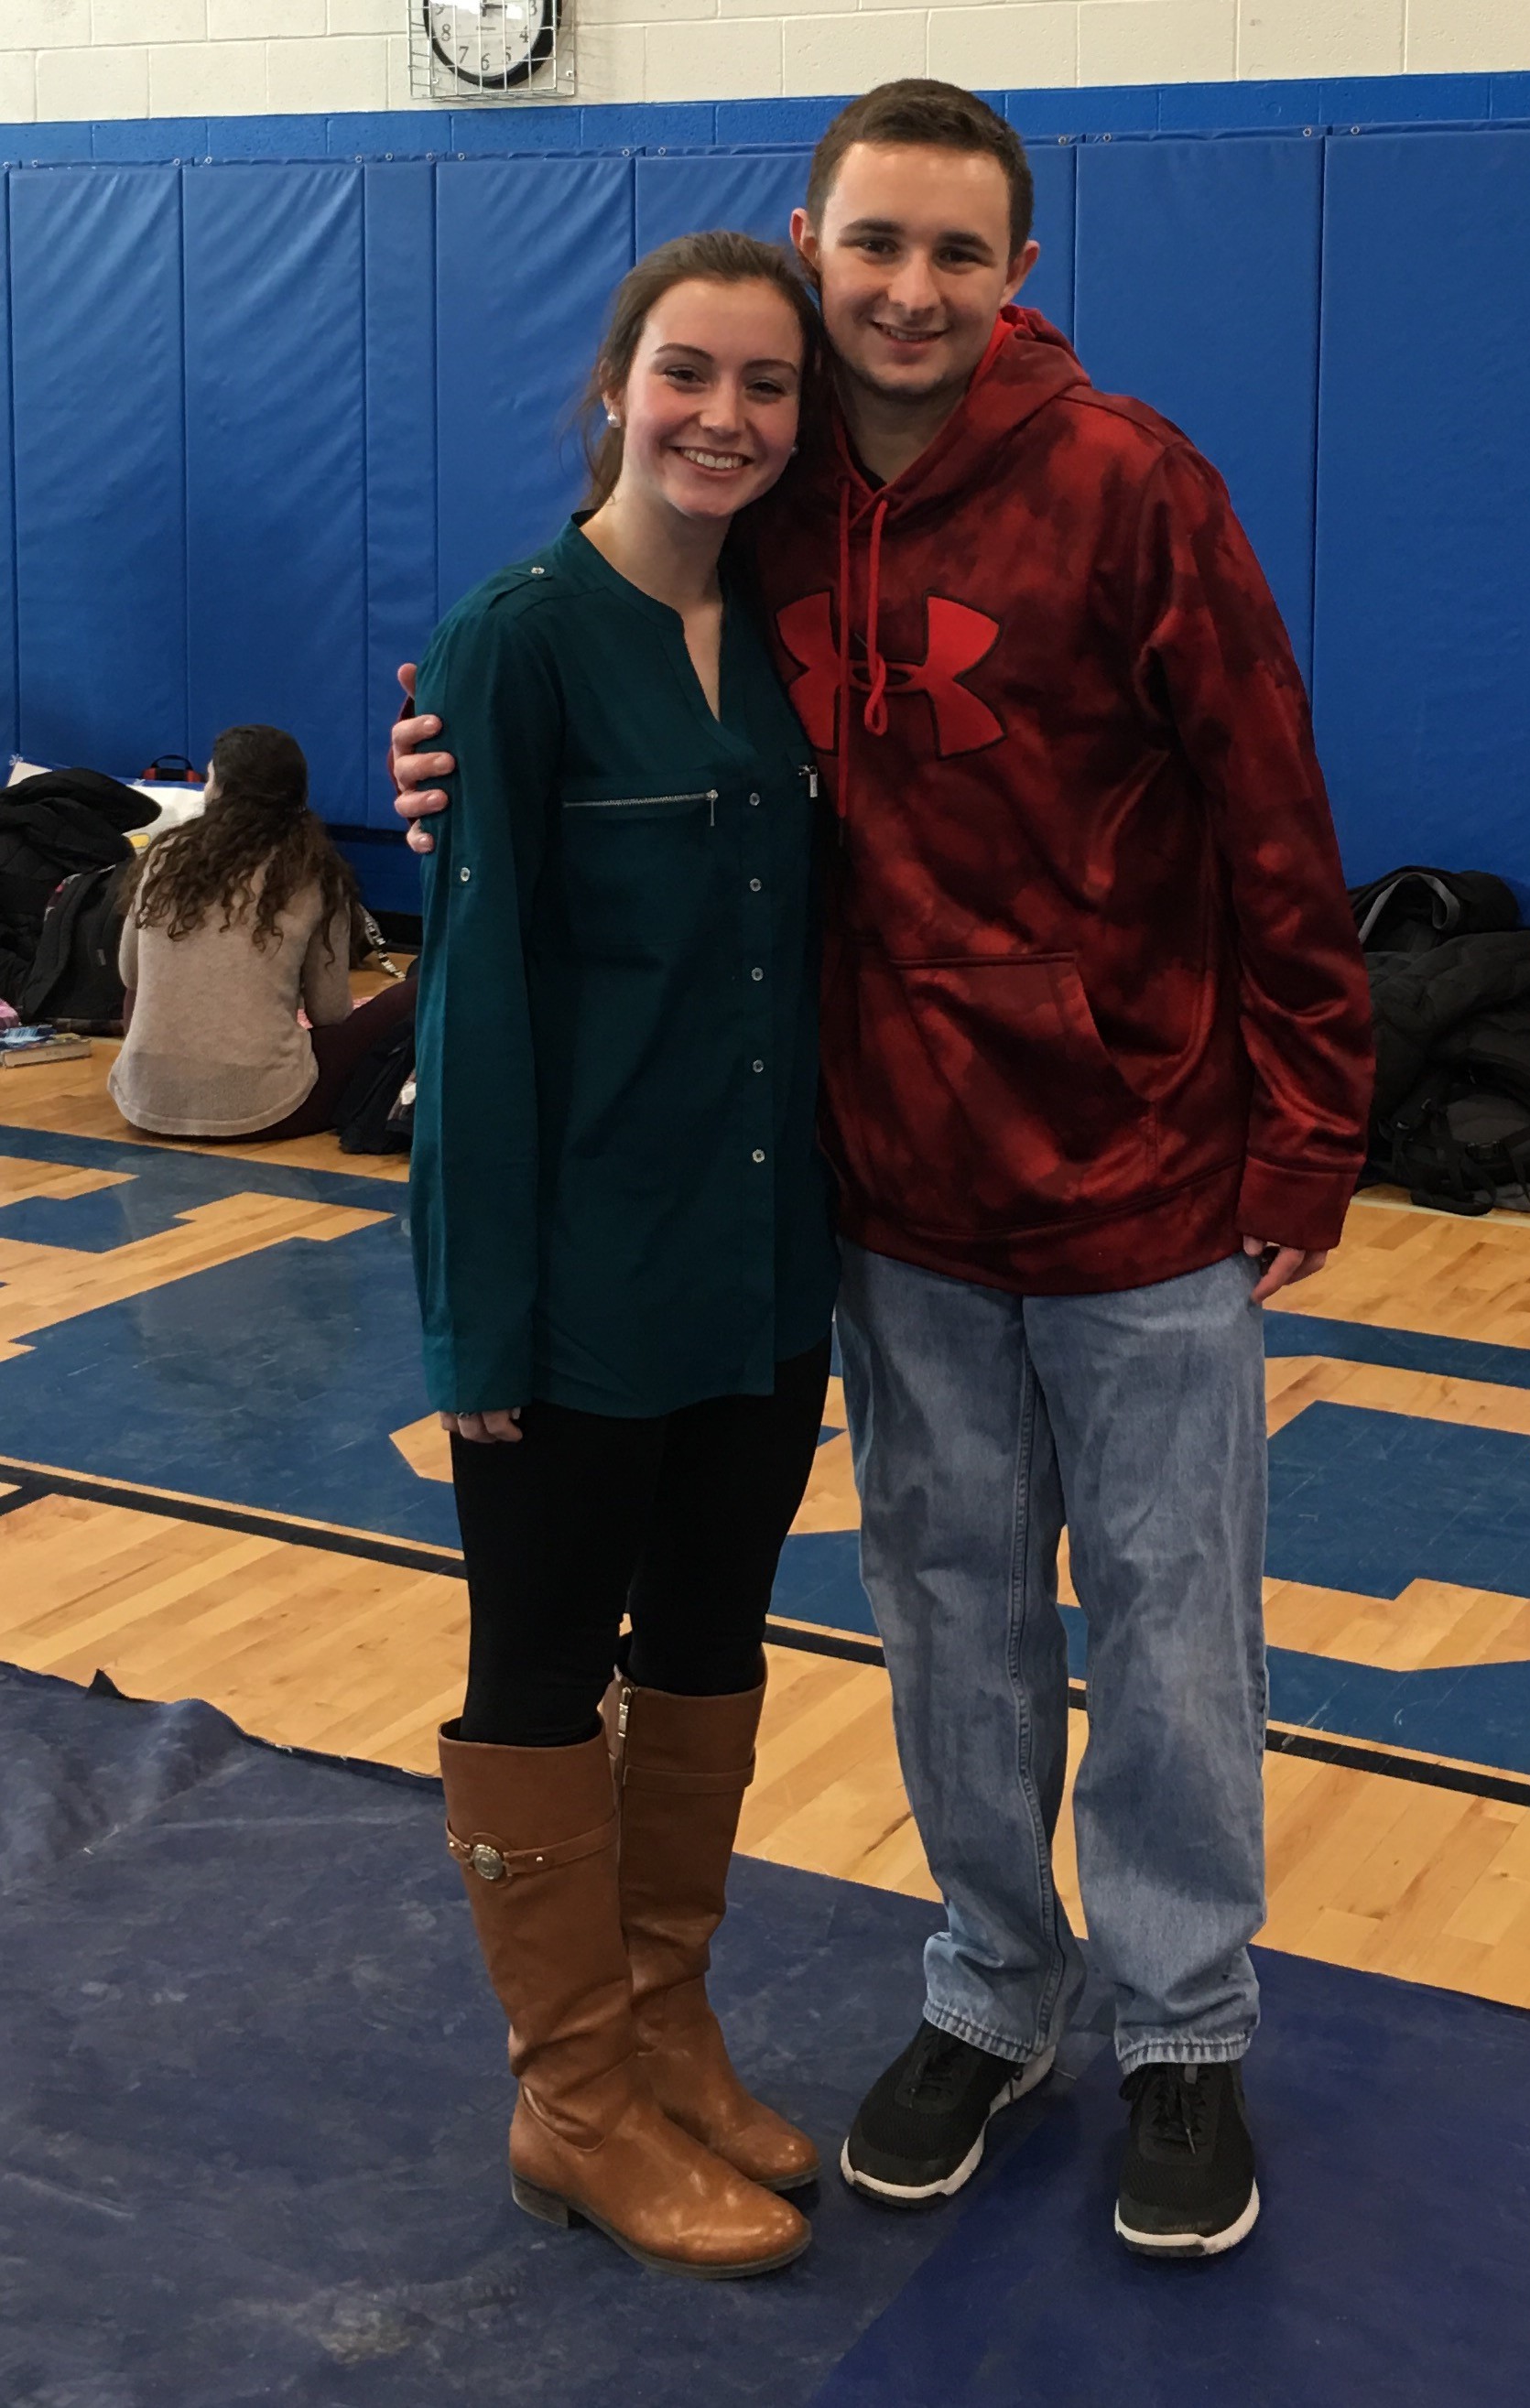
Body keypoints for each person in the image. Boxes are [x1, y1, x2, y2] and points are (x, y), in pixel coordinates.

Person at [395, 85, 1374, 2262]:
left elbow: (1268, 800)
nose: (907, 292)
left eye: (953, 252)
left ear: (1017, 272)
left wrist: (1306, 1117)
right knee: (945, 1620)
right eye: (872, 248)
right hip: (888, 1192)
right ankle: (991, 1985)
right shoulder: (772, 487)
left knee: (1170, 1629)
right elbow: (591, 626)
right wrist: (452, 757)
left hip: (1137, 1177)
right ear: (809, 249)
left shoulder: (1125, 481)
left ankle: (1181, 2026)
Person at [410, 231, 840, 2282]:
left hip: (755, 1261)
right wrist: (478, 1316)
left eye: (766, 384)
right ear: (612, 384)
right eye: (688, 373)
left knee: (708, 1645)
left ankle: (667, 2026)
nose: (722, 418)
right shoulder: (515, 638)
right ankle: (571, 2097)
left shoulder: (794, 633)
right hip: (578, 1274)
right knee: (536, 1664)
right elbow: (473, 992)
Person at [109, 723, 414, 1142]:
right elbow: (329, 1013)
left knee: (146, 990)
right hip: (265, 1109)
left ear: (221, 788)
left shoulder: (164, 854)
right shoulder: (314, 870)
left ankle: (164, 1077)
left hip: (143, 1102)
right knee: (418, 990)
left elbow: (130, 975)